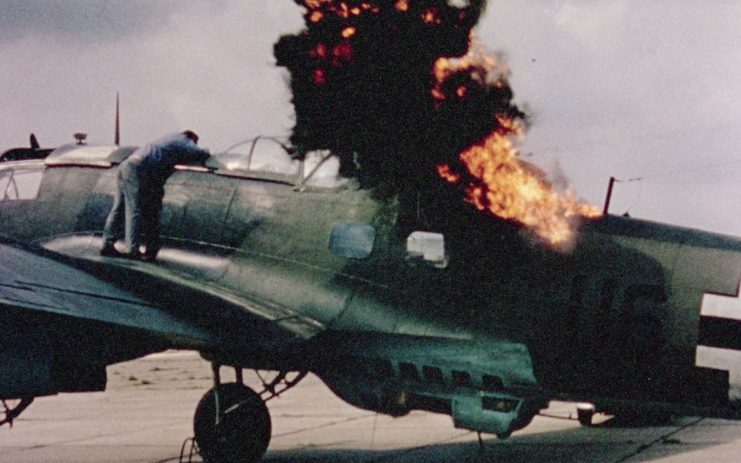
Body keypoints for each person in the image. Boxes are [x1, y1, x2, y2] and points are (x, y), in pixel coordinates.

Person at [101, 130, 210, 260]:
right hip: (138, 167)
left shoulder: (167, 138)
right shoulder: (184, 141)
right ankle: (132, 249)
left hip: (127, 164)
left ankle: (107, 243)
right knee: (134, 209)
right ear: (191, 138)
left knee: (118, 207)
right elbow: (200, 153)